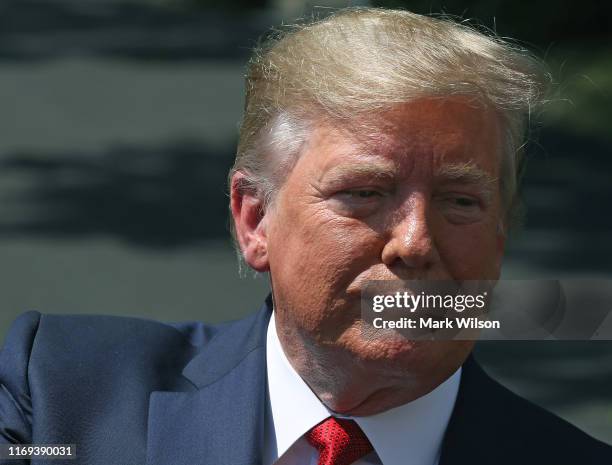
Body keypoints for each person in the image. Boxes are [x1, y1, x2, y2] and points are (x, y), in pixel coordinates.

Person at [0, 7, 610, 465]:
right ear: (254, 220)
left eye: (461, 201)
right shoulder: (61, 395)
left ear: (500, 237)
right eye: (365, 193)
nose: (416, 243)